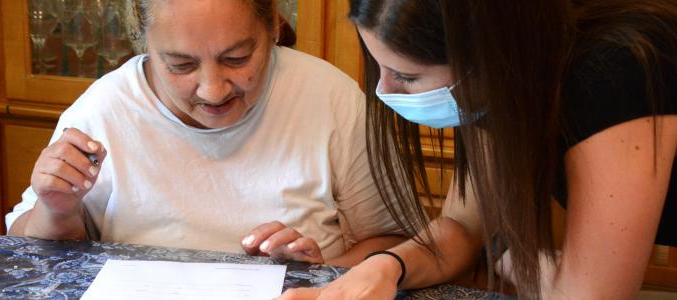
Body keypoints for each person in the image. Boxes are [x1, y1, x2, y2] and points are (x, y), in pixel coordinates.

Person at [279, 0, 677, 298]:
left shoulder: (613, 73)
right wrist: (387, 265)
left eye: (406, 76)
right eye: (378, 64)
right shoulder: (500, 83)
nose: (385, 90)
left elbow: (589, 295)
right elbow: (462, 227)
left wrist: (502, 256)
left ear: (485, 58)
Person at [5, 0, 408, 268]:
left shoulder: (326, 95)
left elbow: (393, 243)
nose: (213, 89)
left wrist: (317, 276)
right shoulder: (106, 107)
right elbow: (35, 254)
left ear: (271, 26)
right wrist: (56, 209)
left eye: (237, 58)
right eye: (180, 65)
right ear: (143, 41)